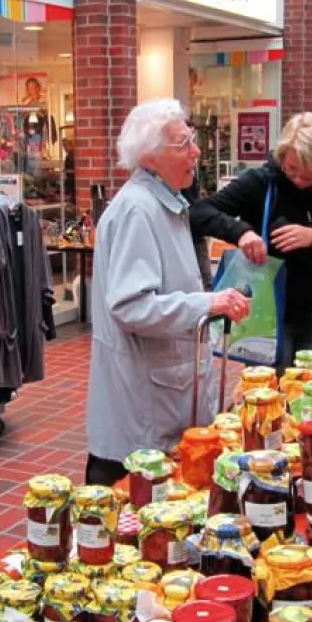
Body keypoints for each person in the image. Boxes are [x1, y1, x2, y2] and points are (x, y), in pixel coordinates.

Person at [85, 99, 250, 485]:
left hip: (166, 392)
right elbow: (131, 306)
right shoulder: (137, 210)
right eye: (183, 144)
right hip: (144, 410)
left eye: (192, 140)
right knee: (129, 502)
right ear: (150, 158)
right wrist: (208, 303)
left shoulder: (164, 203)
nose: (196, 151)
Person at [190, 112, 312, 369]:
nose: (298, 180)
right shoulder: (263, 181)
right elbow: (199, 212)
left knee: (309, 393)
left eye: (309, 175)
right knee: (270, 392)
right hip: (267, 310)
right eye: (292, 169)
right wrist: (241, 232)